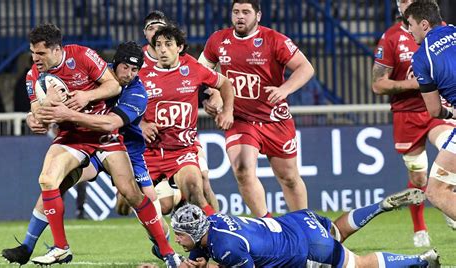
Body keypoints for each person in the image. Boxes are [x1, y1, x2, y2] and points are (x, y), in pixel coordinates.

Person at [12, 24, 179, 266]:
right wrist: (36, 118)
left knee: (134, 195)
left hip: (115, 142)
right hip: (75, 139)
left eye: (40, 53)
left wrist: (82, 99)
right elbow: (37, 111)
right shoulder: (35, 75)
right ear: (114, 64)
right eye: (33, 53)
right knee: (50, 181)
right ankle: (53, 246)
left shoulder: (132, 88)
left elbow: (110, 118)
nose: (35, 58)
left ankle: (166, 249)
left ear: (56, 49)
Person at [198, 0, 314, 218]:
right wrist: (212, 94)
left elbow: (305, 68)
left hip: (274, 119)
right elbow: (201, 71)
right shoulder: (218, 40)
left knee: (288, 177)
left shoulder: (274, 40)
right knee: (242, 169)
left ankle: (305, 227)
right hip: (240, 118)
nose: (240, 17)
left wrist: (285, 89)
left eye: (246, 12)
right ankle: (268, 224)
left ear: (258, 16)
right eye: (236, 12)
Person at [171, 189, 440, 268]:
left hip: (305, 249)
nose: (176, 239)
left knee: (358, 265)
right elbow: (193, 261)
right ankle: (379, 206)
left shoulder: (225, 247)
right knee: (335, 230)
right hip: (298, 221)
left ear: (194, 233)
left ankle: (421, 260)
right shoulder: (212, 222)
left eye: (179, 234)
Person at [371, 0, 456, 247]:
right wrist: (416, 83)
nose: (404, 4)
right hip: (407, 115)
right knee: (420, 180)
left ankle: (445, 198)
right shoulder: (390, 38)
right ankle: (420, 228)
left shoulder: (424, 51)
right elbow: (377, 85)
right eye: (400, 0)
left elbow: (435, 110)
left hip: (437, 113)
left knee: (439, 178)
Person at [138, 25, 234, 218]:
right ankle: (173, 201)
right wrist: (140, 125)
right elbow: (122, 105)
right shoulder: (142, 76)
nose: (162, 49)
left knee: (195, 188)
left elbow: (224, 83)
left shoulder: (192, 68)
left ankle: (219, 230)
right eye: (158, 45)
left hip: (181, 150)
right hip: (149, 151)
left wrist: (227, 111)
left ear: (179, 47)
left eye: (168, 44)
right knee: (125, 204)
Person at [405, 2, 456, 221]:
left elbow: (434, 110)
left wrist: (450, 114)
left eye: (410, 24)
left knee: (436, 191)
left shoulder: (420, 57)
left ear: (424, 24)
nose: (409, 30)